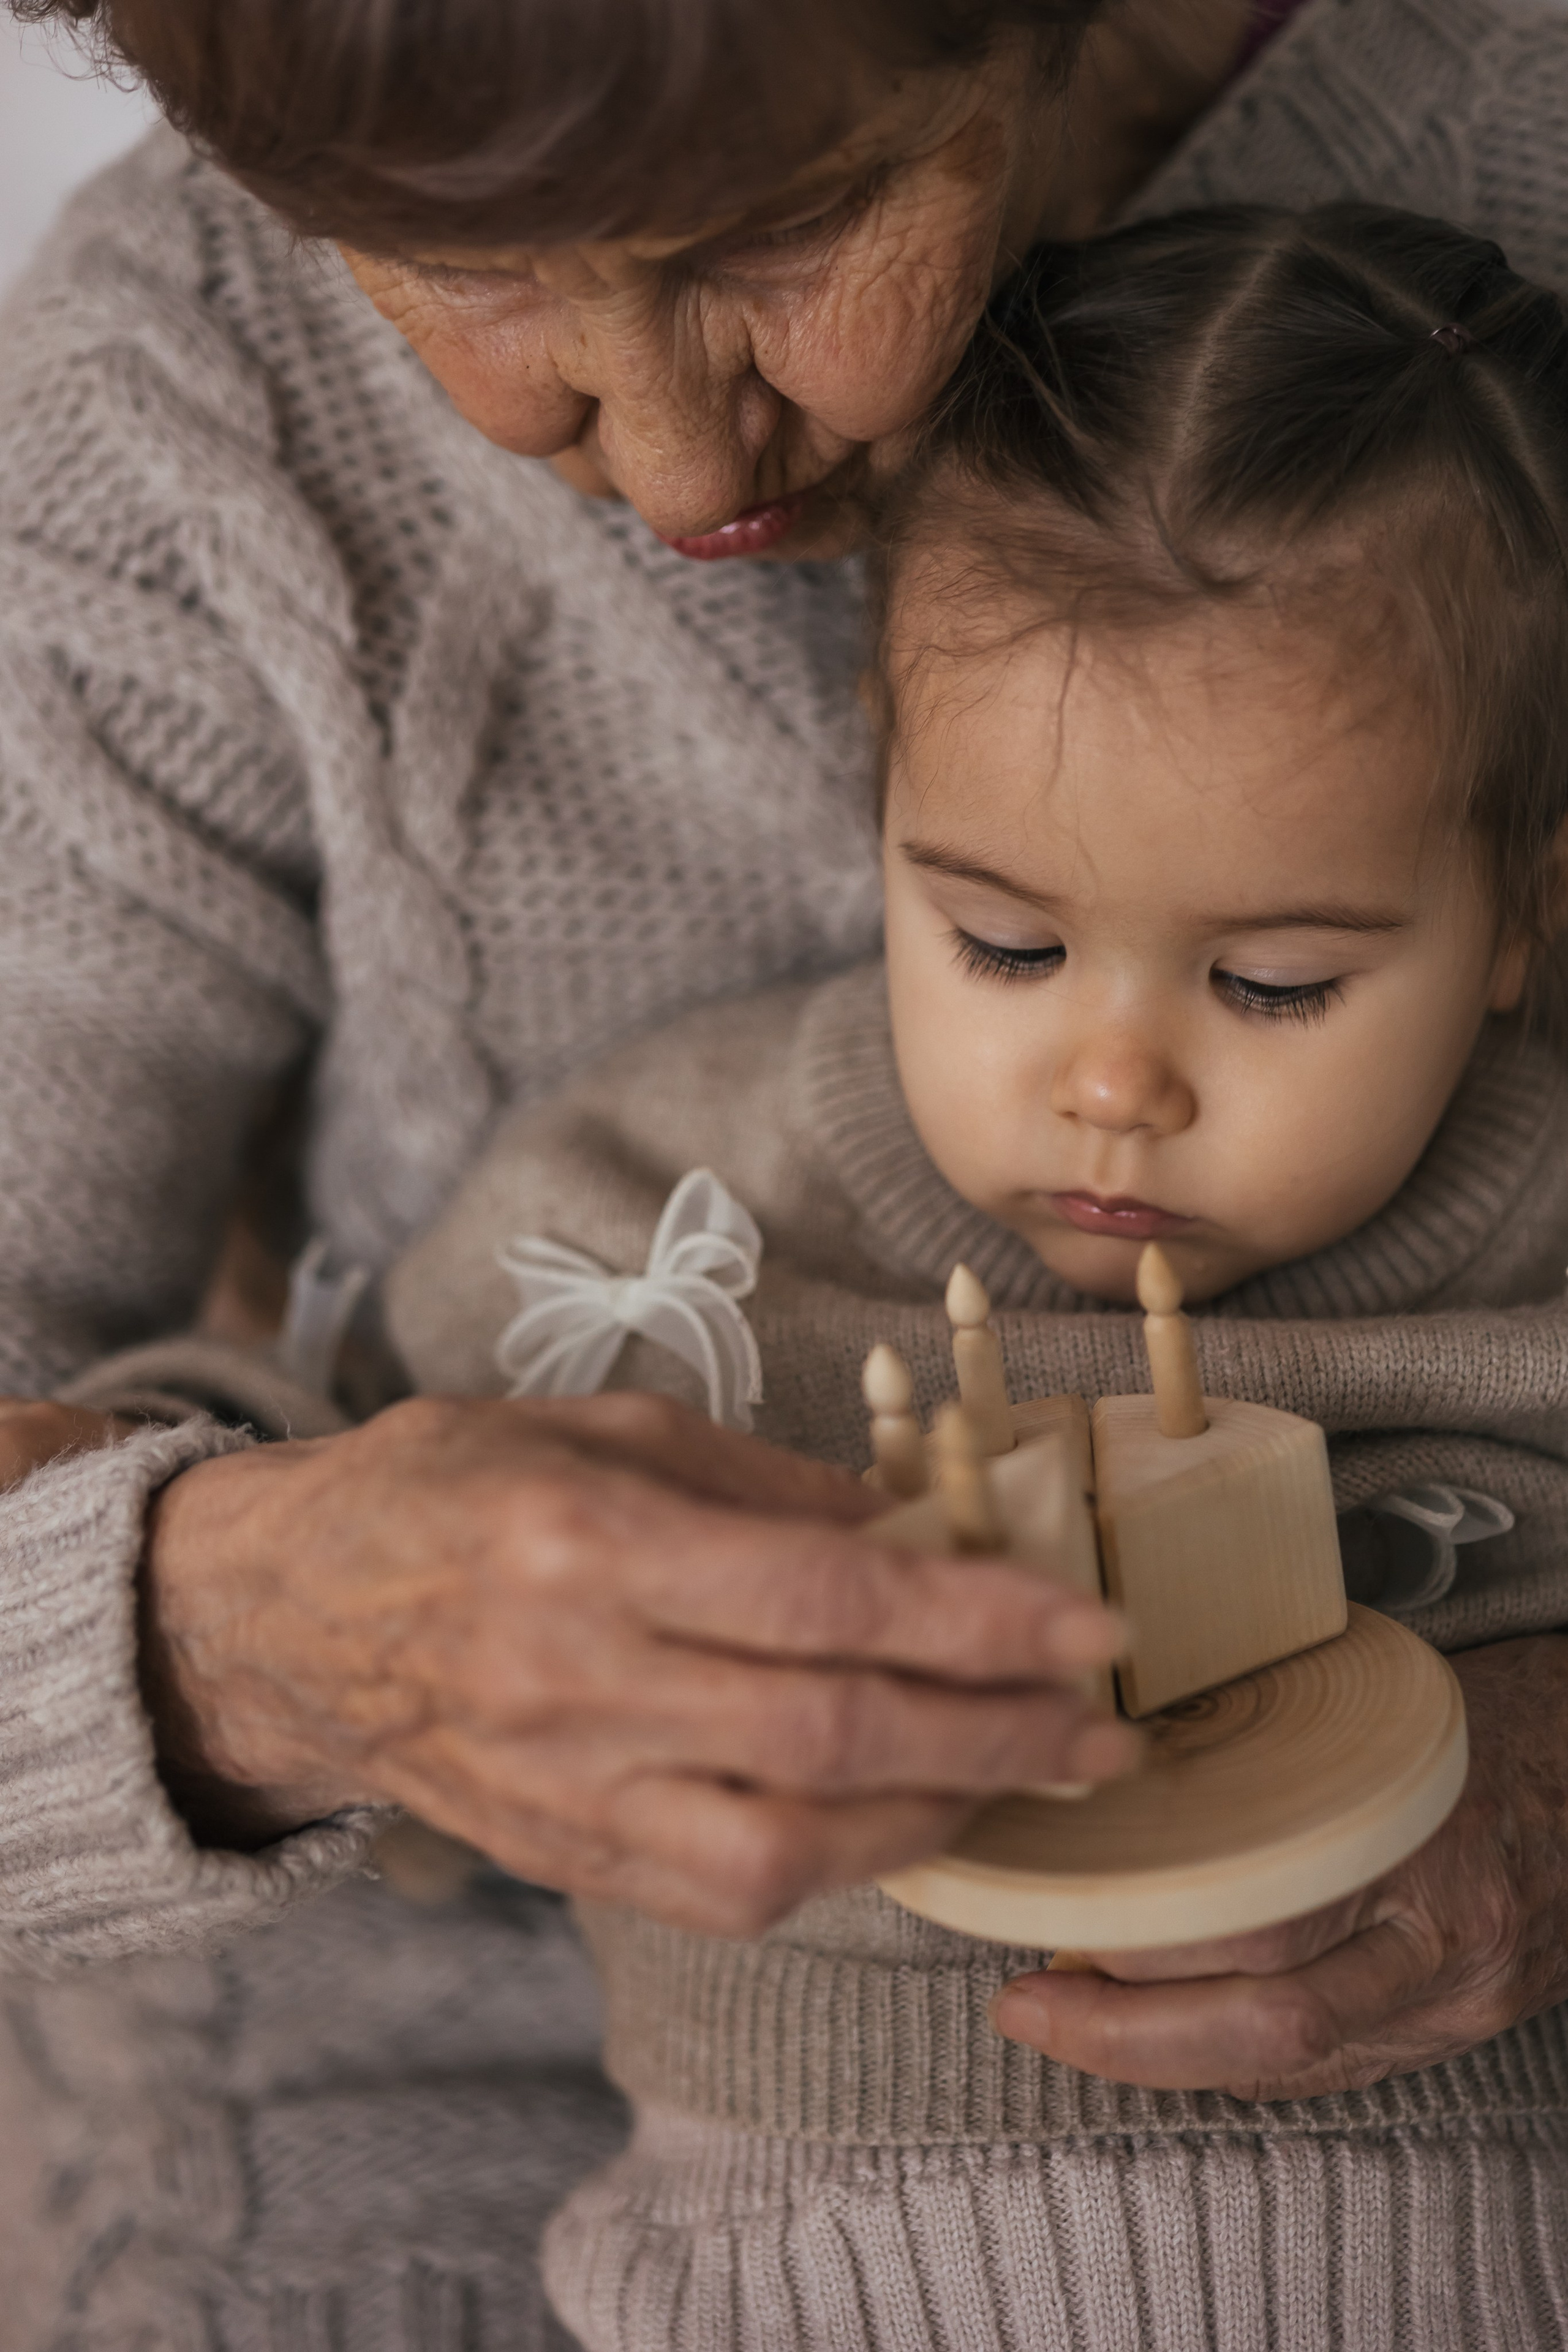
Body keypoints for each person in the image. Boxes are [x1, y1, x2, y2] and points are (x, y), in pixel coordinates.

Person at [1, 0, 1567, 2339]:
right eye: (449, 263)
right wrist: (249, 1631)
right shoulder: (162, 420)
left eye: (780, 226)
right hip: (399, 2152)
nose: (652, 452)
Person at [379, 202, 1568, 2347]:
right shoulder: (652, 1219)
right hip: (783, 2261)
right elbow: (350, 1551)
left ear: (1516, 919)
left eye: (1278, 983)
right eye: (1005, 946)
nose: (1114, 1082)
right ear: (882, 805)